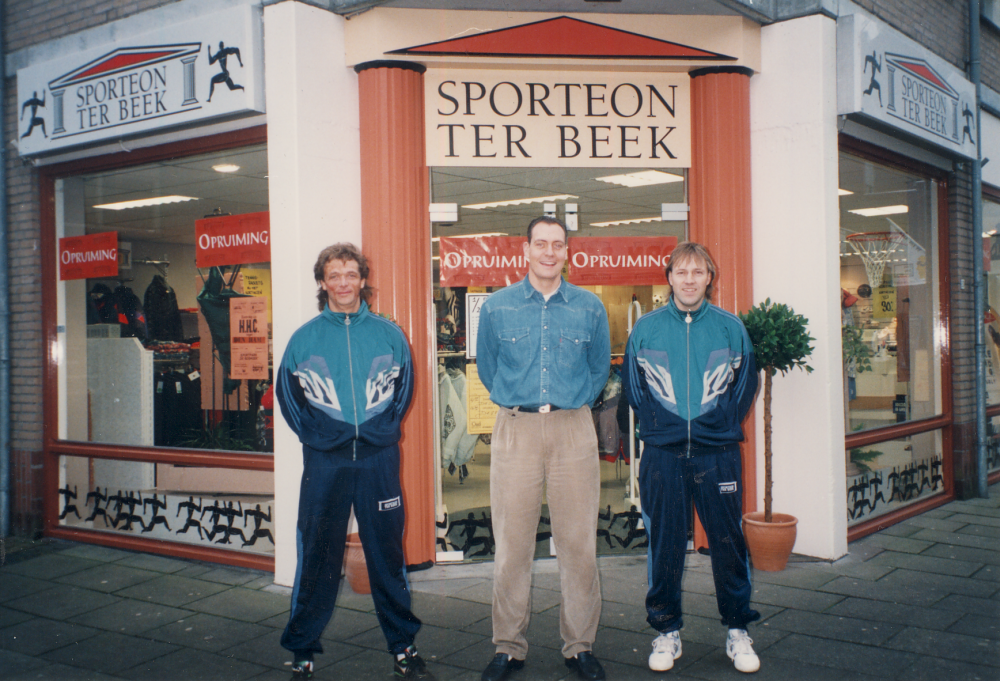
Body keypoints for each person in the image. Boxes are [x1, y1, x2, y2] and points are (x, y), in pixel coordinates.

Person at [276, 243, 429, 679]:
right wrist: (323, 436)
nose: (343, 283)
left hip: (378, 462)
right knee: (317, 555)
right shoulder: (304, 338)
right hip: (326, 464)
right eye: (334, 275)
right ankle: (302, 648)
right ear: (323, 283)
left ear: (363, 279)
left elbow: (404, 392)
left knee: (386, 554)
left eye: (350, 274)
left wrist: (379, 433)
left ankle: (403, 646)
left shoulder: (388, 334)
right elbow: (289, 399)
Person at [476, 216, 611, 681]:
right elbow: (489, 372)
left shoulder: (590, 308)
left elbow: (598, 373)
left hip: (574, 430)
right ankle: (507, 646)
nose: (549, 252)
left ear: (566, 251)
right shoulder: (497, 308)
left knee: (578, 545)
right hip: (517, 429)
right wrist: (521, 403)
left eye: (557, 244)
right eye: (541, 244)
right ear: (526, 250)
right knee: (512, 546)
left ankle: (580, 645)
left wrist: (570, 407)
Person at [622, 241, 761, 674]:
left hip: (717, 453)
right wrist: (661, 429)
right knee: (664, 543)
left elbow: (745, 387)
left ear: (709, 279)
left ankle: (737, 629)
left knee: (727, 542)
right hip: (662, 455)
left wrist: (716, 425)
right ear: (669, 278)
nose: (689, 280)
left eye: (697, 272)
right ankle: (666, 630)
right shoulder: (645, 328)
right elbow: (633, 387)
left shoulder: (729, 327)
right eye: (681, 272)